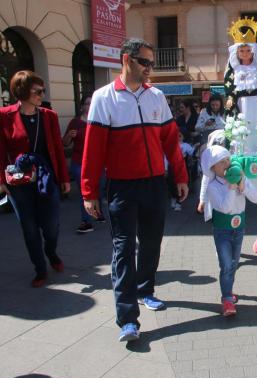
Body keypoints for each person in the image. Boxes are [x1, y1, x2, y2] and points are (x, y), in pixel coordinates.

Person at [81, 38, 189, 342]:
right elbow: (93, 151)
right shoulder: (104, 98)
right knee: (124, 249)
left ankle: (146, 290)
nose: (149, 69)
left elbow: (171, 142)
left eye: (152, 63)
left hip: (155, 184)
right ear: (126, 60)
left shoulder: (156, 96)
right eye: (145, 62)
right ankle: (128, 319)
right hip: (122, 189)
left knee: (152, 243)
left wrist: (179, 177)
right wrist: (89, 191)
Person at [0, 70, 70, 287]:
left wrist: (64, 177)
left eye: (43, 90)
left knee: (51, 226)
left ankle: (51, 252)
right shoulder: (4, 115)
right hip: (19, 183)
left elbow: (57, 149)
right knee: (29, 228)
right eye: (37, 91)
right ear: (22, 91)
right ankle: (40, 269)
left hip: (46, 179)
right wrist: (1, 181)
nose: (42, 94)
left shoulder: (49, 116)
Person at [201, 145, 257, 316]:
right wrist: (233, 187)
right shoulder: (213, 186)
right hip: (222, 230)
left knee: (233, 264)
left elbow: (256, 199)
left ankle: (228, 290)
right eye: (221, 163)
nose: (227, 164)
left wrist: (244, 185)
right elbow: (225, 208)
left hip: (239, 229)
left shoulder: (240, 177)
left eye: (227, 159)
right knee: (226, 265)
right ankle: (227, 299)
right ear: (212, 167)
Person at [224, 17, 257, 153]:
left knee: (256, 126)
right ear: (237, 52)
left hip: (256, 102)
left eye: (248, 51)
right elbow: (229, 84)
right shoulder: (234, 68)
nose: (245, 54)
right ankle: (242, 150)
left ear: (253, 51)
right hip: (240, 103)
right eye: (242, 51)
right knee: (242, 125)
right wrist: (230, 97)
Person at [63, 95, 106, 233]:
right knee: (85, 192)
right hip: (79, 162)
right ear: (81, 106)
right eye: (87, 103)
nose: (89, 106)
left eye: (92, 103)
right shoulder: (75, 122)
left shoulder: (100, 120)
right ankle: (86, 222)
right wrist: (70, 135)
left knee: (98, 189)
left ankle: (98, 213)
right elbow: (65, 143)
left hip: (98, 163)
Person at [167, 132, 195, 211]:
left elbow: (192, 152)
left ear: (183, 137)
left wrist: (196, 147)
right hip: (171, 166)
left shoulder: (186, 145)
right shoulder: (170, 145)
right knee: (171, 183)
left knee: (181, 183)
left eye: (180, 135)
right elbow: (165, 157)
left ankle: (179, 202)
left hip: (182, 166)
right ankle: (173, 198)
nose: (178, 137)